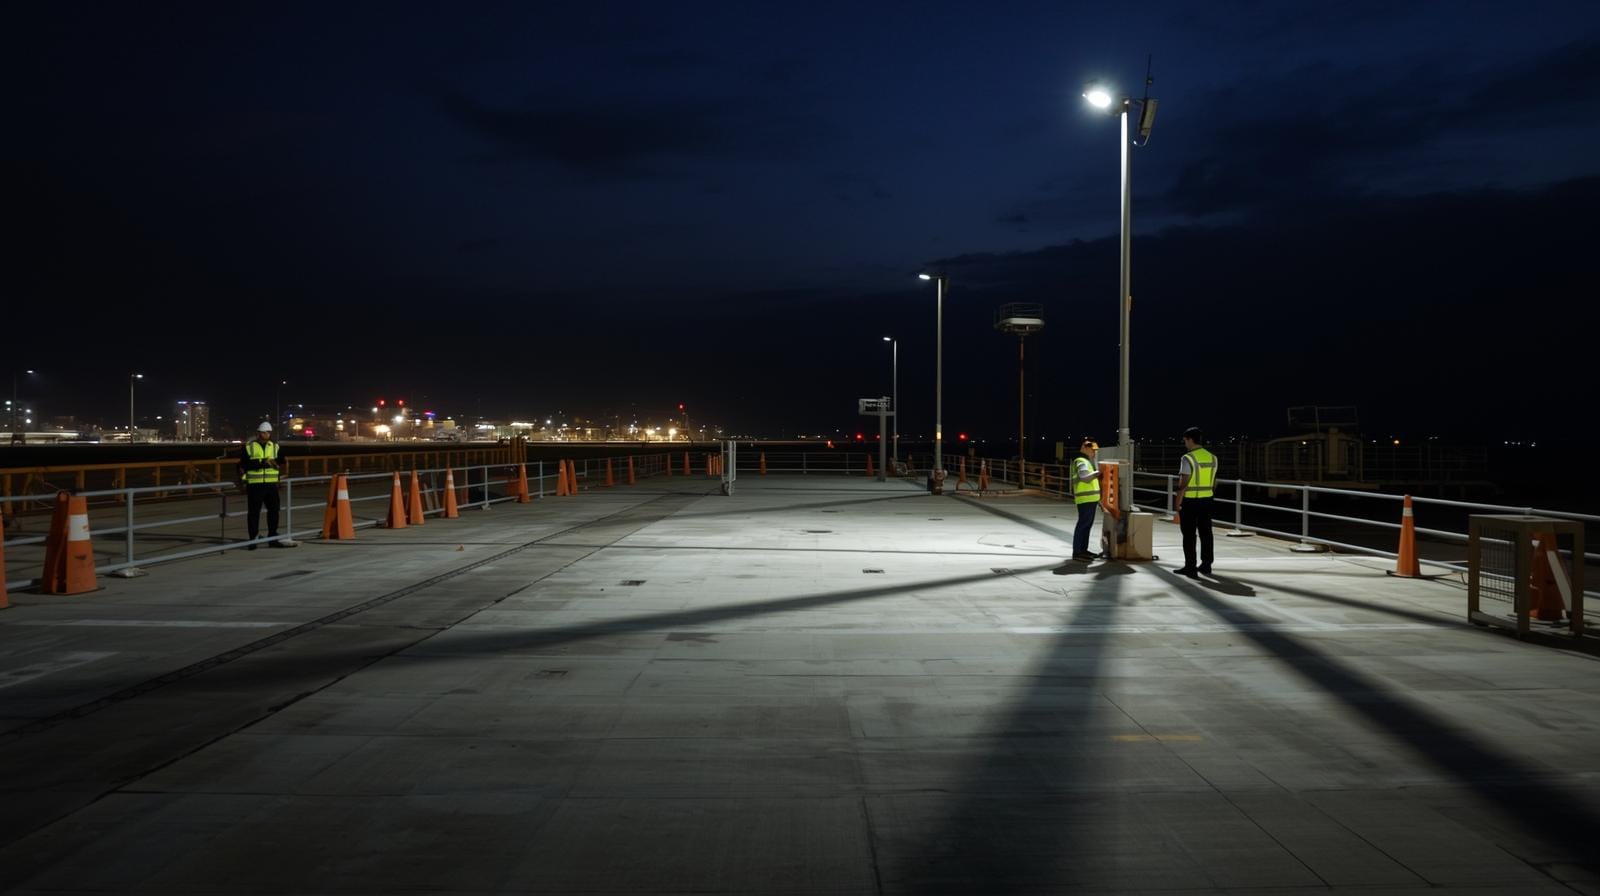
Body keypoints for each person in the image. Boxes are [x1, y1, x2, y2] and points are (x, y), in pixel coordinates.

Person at [1173, 426, 1218, 577]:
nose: (1185, 443)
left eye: (1185, 440)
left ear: (1190, 440)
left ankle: (1190, 567)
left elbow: (1183, 484)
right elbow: (1214, 481)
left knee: (1189, 535)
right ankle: (1206, 565)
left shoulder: (1188, 458)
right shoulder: (1212, 457)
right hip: (1207, 500)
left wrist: (1177, 504)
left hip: (1190, 502)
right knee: (1206, 533)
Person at [238, 421, 287, 549]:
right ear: (259, 433)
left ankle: (273, 538)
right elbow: (244, 464)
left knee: (274, 511)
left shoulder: (275, 446)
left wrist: (275, 462)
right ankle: (253, 540)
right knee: (254, 513)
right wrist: (262, 463)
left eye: (268, 432)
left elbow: (282, 460)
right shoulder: (249, 447)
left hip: (271, 485)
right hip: (255, 484)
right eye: (264, 432)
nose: (266, 434)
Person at [1070, 439, 1103, 561]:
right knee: (1083, 525)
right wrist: (1099, 472)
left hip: (1090, 499)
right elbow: (1084, 477)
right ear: (1084, 448)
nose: (1094, 453)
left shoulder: (1086, 461)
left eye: (1094, 451)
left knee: (1086, 525)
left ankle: (1083, 550)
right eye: (1092, 450)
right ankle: (1078, 552)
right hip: (1085, 499)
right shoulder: (1081, 461)